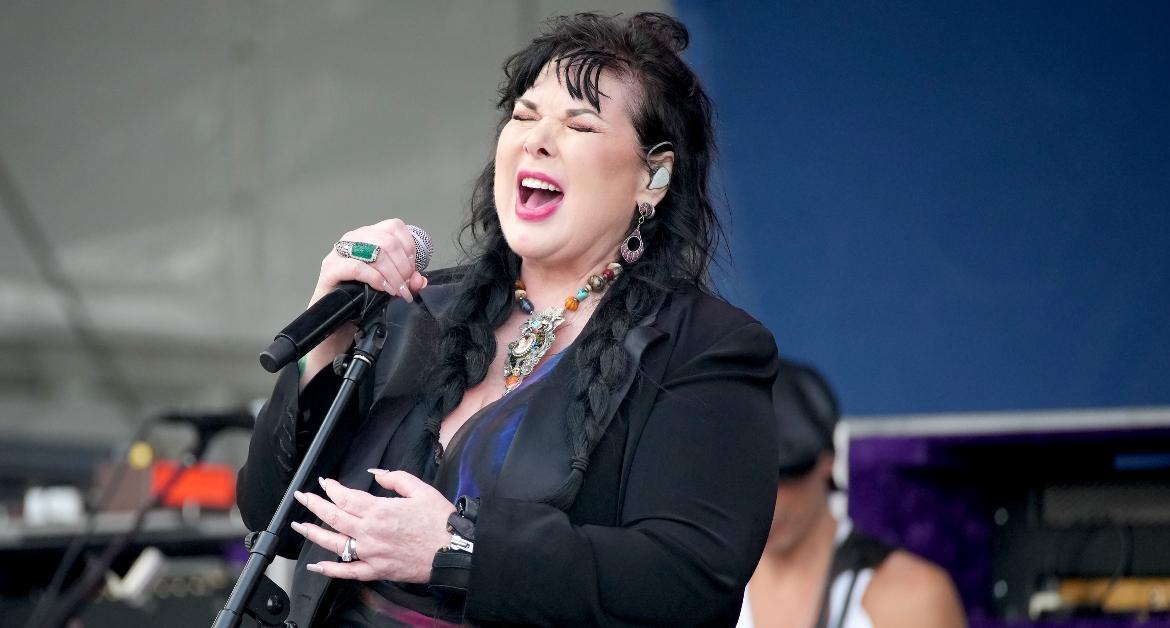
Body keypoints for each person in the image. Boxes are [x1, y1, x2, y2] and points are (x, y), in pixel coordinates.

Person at [237, 12, 779, 627]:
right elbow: (266, 514)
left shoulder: (704, 347)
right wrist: (326, 339)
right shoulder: (416, 310)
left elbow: (689, 581)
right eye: (523, 116)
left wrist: (460, 548)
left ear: (653, 176)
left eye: (579, 124)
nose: (536, 140)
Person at [738, 361, 966, 628]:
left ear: (827, 460)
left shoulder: (911, 597)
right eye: (743, 478)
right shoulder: (705, 588)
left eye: (784, 474)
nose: (766, 500)